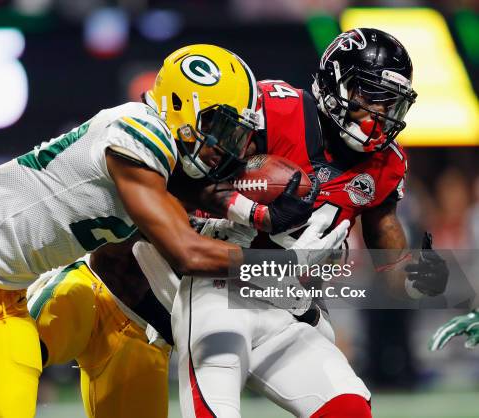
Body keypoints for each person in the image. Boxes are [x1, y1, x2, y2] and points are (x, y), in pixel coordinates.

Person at [0, 44, 320, 418]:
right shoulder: (138, 133)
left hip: (7, 295)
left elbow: (200, 191)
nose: (223, 144)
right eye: (220, 127)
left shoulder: (160, 153)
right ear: (181, 107)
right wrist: (281, 266)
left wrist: (258, 215)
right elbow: (186, 250)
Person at [170, 28, 449, 418]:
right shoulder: (274, 110)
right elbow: (181, 177)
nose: (380, 115)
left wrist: (417, 280)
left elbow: (391, 262)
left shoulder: (387, 165)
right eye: (370, 96)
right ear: (336, 82)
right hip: (220, 288)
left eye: (391, 104)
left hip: (292, 310)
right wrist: (249, 211)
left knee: (350, 409)